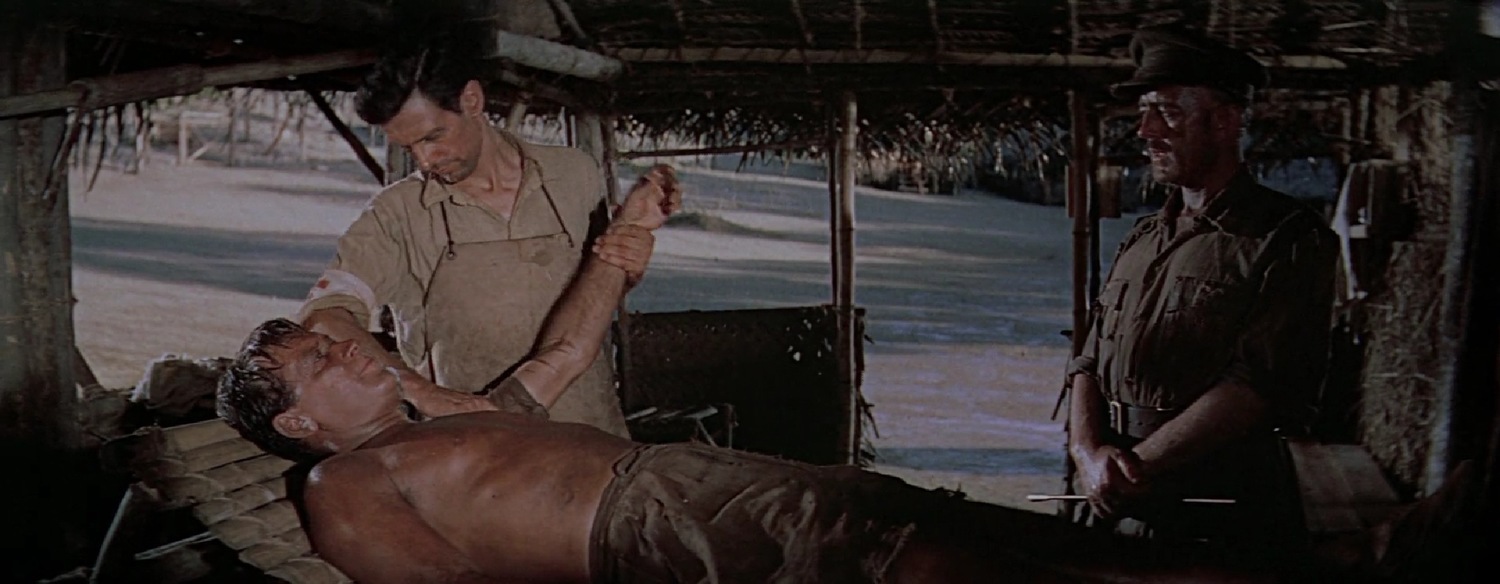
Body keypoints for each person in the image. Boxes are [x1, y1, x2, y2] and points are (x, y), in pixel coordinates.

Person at [219, 167, 1319, 584]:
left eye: (334, 337)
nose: (345, 344)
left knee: (971, 525)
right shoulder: (344, 484)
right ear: (299, 422)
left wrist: (624, 242)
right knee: (927, 563)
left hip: (691, 480)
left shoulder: (441, 417)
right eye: (318, 358)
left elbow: (561, 358)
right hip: (654, 531)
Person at [296, 28, 676, 437]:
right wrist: (425, 395)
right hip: (476, 447)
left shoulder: (573, 174)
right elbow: (326, 316)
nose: (425, 160)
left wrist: (628, 262)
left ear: (472, 100)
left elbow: (599, 290)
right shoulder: (397, 214)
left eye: (433, 137)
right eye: (410, 148)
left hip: (592, 433)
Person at [1065, 25, 1340, 545]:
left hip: (1215, 508)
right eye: (1143, 112)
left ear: (1224, 121)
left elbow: (1258, 386)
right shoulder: (1143, 238)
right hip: (1112, 497)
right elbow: (1087, 360)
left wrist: (1133, 467)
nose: (1145, 131)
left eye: (1166, 112)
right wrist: (1086, 452)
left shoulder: (1285, 238)